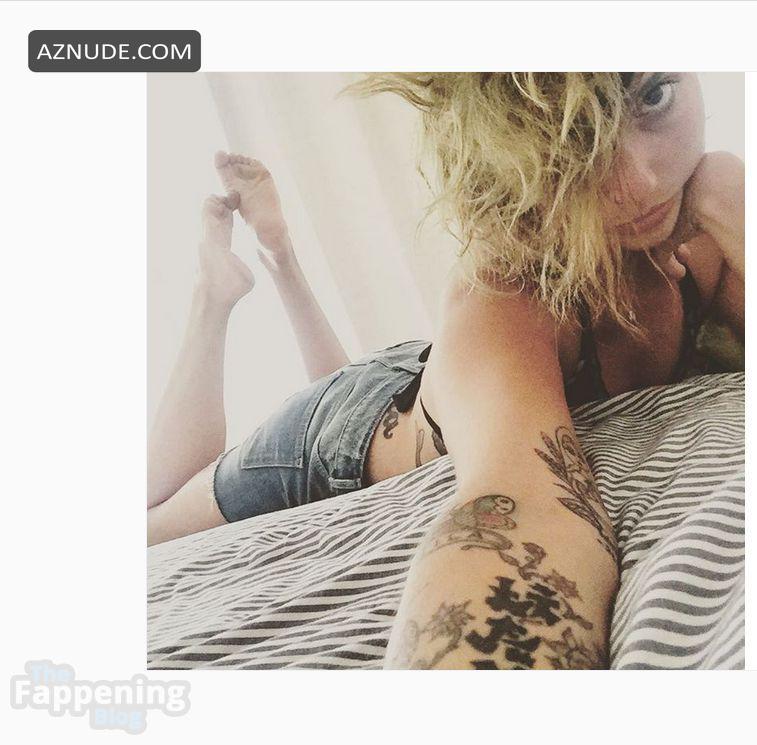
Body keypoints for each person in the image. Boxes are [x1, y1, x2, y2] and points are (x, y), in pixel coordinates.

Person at [147, 73, 744, 670]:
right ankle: (213, 296)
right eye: (571, 139)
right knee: (147, 520)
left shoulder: (707, 218)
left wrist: (727, 196)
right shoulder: (509, 287)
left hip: (427, 370)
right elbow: (519, 506)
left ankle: (282, 257)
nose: (640, 180)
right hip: (330, 434)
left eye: (654, 96)